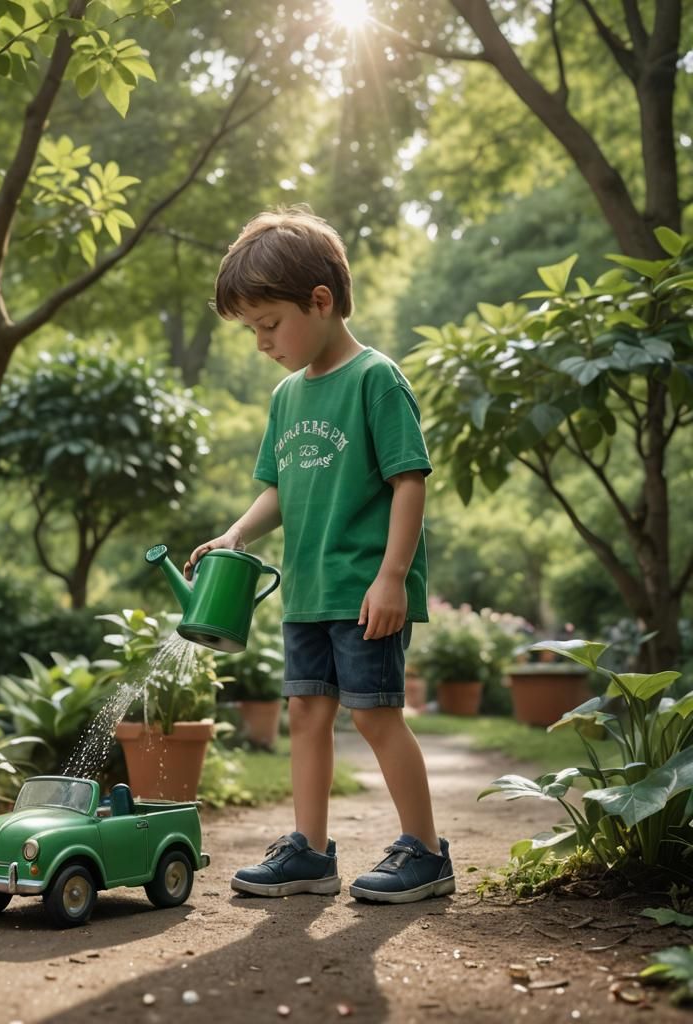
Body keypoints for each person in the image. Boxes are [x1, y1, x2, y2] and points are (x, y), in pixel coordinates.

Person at [185, 207, 454, 904]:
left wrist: (393, 576)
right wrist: (236, 534)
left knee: (374, 714)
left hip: (366, 590)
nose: (261, 344)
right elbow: (277, 488)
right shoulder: (285, 397)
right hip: (306, 590)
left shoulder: (375, 379)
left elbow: (409, 481)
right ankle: (309, 851)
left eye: (268, 324)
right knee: (304, 714)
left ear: (321, 300)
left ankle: (426, 851)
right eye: (252, 331)